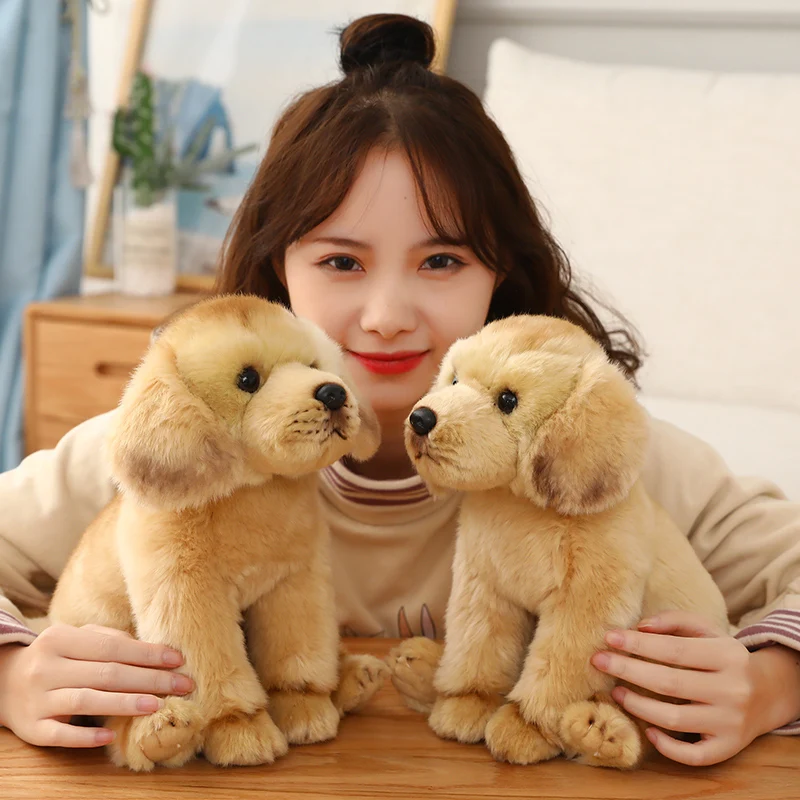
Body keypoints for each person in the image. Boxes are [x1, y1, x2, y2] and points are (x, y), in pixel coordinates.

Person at [1, 14, 798, 768]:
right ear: (280, 268)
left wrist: (770, 685)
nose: (386, 316)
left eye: (441, 262)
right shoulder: (178, 450)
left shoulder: (591, 458)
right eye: (342, 262)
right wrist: (12, 675)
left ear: (501, 273)